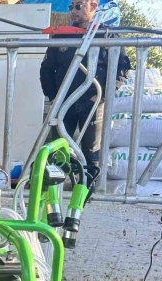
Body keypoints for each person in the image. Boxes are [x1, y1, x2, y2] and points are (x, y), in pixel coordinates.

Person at [40, 0, 131, 168]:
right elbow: (46, 68)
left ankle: (89, 193)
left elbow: (122, 68)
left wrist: (101, 95)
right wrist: (53, 96)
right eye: (71, 7)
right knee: (59, 150)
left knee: (92, 153)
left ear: (94, 6)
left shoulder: (108, 35)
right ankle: (58, 192)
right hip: (63, 102)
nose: (73, 11)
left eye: (78, 6)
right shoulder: (62, 36)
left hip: (92, 103)